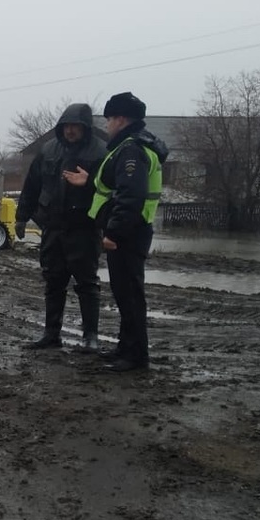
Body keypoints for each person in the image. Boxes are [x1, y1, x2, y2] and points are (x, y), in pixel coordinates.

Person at [69, 92, 168, 372]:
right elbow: (114, 188)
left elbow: (130, 196)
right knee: (125, 293)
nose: (107, 124)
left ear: (121, 119)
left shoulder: (130, 150)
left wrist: (113, 232)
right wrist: (90, 182)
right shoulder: (131, 146)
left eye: (110, 118)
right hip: (131, 231)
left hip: (128, 233)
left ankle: (135, 357)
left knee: (130, 295)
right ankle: (126, 348)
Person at [15, 103, 108, 352]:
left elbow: (111, 192)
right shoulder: (48, 150)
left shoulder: (101, 151)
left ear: (85, 127)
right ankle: (51, 334)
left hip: (84, 229)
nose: (70, 131)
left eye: (75, 126)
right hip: (53, 228)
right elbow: (32, 186)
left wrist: (110, 229)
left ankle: (90, 337)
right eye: (66, 126)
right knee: (53, 281)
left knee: (87, 284)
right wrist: (21, 216)